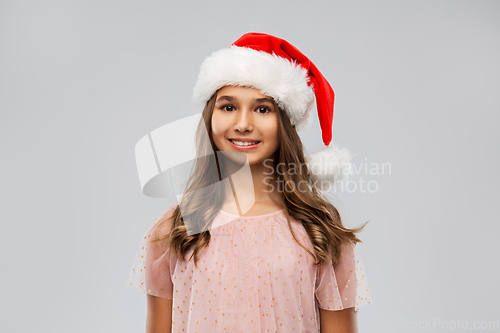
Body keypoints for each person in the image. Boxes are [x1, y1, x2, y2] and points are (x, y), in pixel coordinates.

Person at [126, 32, 372, 333]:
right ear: (210, 117)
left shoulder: (317, 232)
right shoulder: (176, 229)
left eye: (262, 108)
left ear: (285, 123)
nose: (243, 124)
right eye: (228, 107)